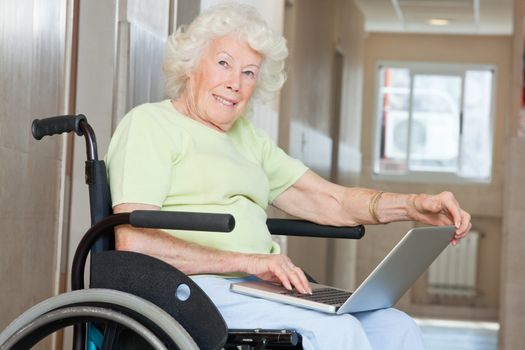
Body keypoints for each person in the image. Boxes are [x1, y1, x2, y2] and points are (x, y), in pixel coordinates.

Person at [106, 3, 471, 349]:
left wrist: (414, 206)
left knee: (396, 325)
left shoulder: (247, 138)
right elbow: (136, 242)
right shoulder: (150, 124)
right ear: (191, 66)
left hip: (256, 287)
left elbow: (331, 200)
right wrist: (248, 262)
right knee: (337, 331)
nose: (235, 82)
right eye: (223, 63)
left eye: (248, 73)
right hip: (190, 289)